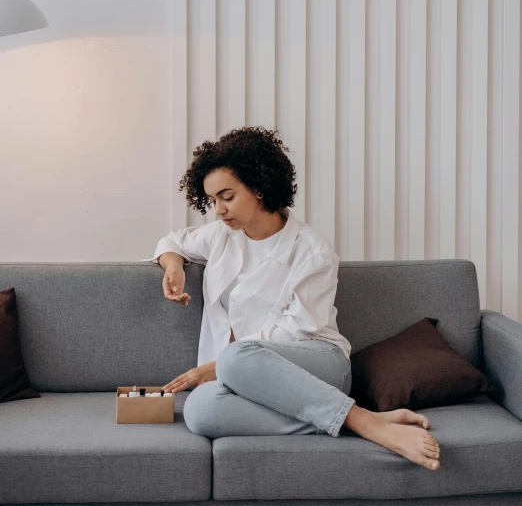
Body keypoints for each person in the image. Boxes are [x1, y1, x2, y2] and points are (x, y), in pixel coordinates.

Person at [146, 126, 440, 471]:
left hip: (317, 364)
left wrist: (215, 367)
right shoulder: (221, 237)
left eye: (227, 197)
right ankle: (345, 418)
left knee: (234, 357)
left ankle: (367, 423)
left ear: (258, 187)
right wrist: (174, 267)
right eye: (212, 201)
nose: (219, 211)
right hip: (251, 377)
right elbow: (173, 241)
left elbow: (296, 331)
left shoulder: (311, 249)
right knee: (200, 410)